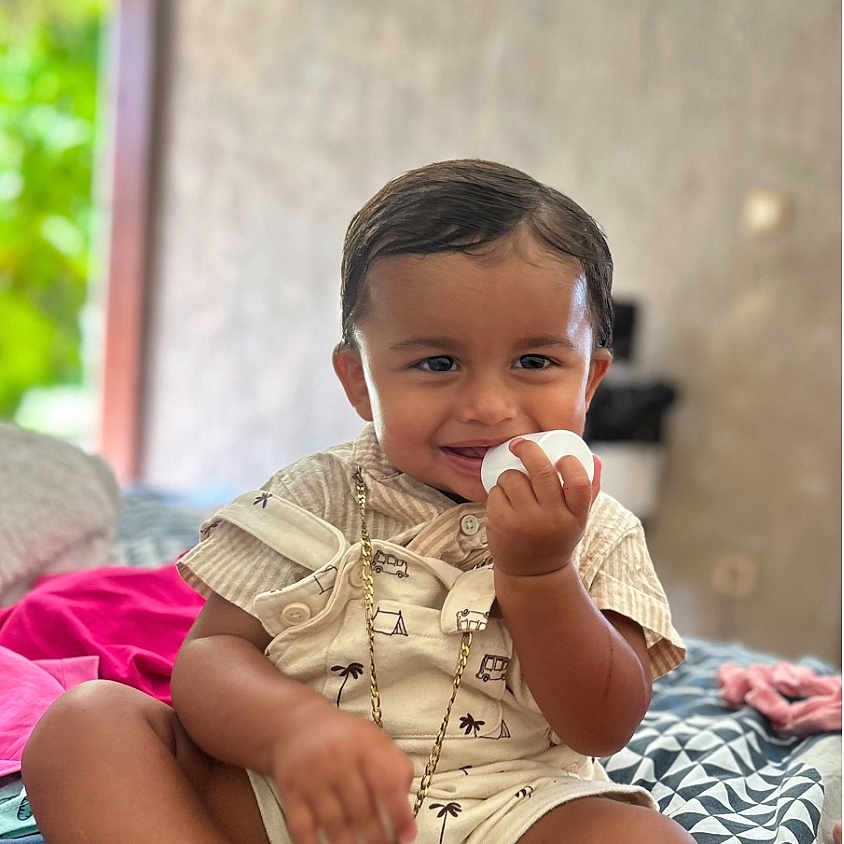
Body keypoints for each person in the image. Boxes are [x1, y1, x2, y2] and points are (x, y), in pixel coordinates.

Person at [23, 159, 691, 844]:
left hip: (506, 811)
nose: (490, 407)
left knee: (648, 839)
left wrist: (543, 575)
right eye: (438, 364)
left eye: (534, 363)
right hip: (288, 796)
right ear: (360, 383)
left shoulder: (597, 530)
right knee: (84, 724)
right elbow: (210, 659)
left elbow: (604, 724)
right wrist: (292, 733)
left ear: (591, 380)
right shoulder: (314, 497)